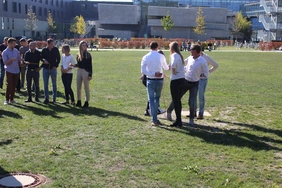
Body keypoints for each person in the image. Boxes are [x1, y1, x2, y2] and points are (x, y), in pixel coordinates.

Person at [166, 44, 209, 125]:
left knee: (192, 101)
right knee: (177, 98)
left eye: (192, 50)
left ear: (197, 51)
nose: (190, 51)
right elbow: (182, 64)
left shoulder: (202, 61)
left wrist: (199, 75)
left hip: (194, 83)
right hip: (185, 81)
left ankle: (192, 118)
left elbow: (206, 73)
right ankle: (169, 111)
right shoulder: (189, 58)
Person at [141, 41, 169, 126]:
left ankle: (154, 119)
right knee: (157, 99)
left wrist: (153, 74)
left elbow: (143, 71)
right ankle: (155, 118)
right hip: (159, 80)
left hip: (150, 80)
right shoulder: (161, 56)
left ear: (150, 47)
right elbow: (166, 68)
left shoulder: (146, 57)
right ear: (157, 47)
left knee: (151, 100)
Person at [141, 49, 166, 116]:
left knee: (153, 96)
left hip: (149, 78)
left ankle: (153, 109)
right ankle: (150, 110)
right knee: (153, 96)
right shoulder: (156, 58)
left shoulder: (154, 58)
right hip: (149, 79)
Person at [195, 48, 219, 119]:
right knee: (193, 96)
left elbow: (216, 65)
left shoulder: (206, 57)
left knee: (201, 96)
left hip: (202, 79)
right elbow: (185, 62)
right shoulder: (193, 56)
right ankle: (193, 112)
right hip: (194, 78)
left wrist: (208, 72)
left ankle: (201, 113)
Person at [169, 41, 186, 127]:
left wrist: (173, 71)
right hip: (182, 79)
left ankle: (178, 120)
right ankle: (178, 120)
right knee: (177, 101)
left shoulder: (174, 55)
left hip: (176, 79)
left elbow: (173, 65)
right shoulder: (179, 55)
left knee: (176, 101)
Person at [72, 41, 92, 108]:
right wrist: (74, 65)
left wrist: (90, 74)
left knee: (86, 87)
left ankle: (87, 101)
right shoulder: (78, 55)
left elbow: (90, 65)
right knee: (78, 87)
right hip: (79, 71)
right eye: (83, 45)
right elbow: (79, 65)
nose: (84, 47)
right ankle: (79, 101)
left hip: (85, 71)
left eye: (85, 45)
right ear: (80, 46)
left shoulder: (88, 55)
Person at [2, 37, 21, 104]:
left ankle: (12, 99)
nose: (15, 44)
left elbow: (19, 59)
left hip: (16, 70)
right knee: (9, 84)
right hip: (9, 70)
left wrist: (23, 61)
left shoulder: (16, 51)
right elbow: (6, 63)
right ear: (9, 44)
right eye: (13, 43)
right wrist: (11, 59)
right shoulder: (5, 52)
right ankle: (7, 99)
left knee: (14, 85)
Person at [41, 38, 60, 104]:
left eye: (53, 44)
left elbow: (58, 58)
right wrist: (43, 60)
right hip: (46, 68)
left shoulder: (55, 49)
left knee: (54, 84)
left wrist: (56, 66)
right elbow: (41, 57)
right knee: (45, 84)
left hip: (53, 69)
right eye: (51, 44)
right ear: (48, 44)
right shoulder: (44, 50)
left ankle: (54, 98)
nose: (53, 45)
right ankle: (46, 98)